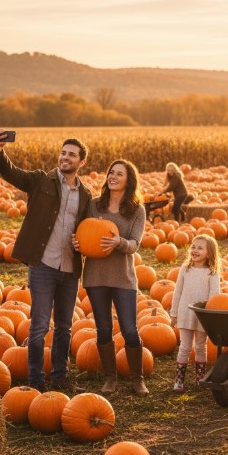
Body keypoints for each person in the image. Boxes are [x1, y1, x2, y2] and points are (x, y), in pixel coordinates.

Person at [0, 130, 91, 392]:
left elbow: (89, 228)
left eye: (71, 155)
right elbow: (12, 173)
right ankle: (35, 380)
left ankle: (60, 377)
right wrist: (0, 153)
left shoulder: (86, 195)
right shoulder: (40, 181)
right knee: (38, 326)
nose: (65, 157)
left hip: (70, 269)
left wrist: (85, 242)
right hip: (44, 265)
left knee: (64, 327)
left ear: (81, 162)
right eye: (63, 152)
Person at [73, 159, 148, 396]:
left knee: (129, 329)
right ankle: (110, 379)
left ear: (129, 180)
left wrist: (119, 243)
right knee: (103, 329)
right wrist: (77, 243)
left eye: (119, 174)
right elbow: (82, 232)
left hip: (123, 277)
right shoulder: (95, 205)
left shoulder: (137, 210)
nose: (113, 177)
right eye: (111, 173)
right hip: (96, 276)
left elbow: (135, 244)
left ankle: (137, 379)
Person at [170, 234, 221, 392]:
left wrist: (211, 317)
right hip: (186, 312)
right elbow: (177, 292)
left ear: (209, 252)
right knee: (184, 346)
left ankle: (200, 378)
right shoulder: (185, 270)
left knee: (200, 346)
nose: (195, 250)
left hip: (202, 315)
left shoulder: (212, 273)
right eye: (193, 247)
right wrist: (174, 313)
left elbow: (214, 296)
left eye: (200, 248)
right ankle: (179, 380)